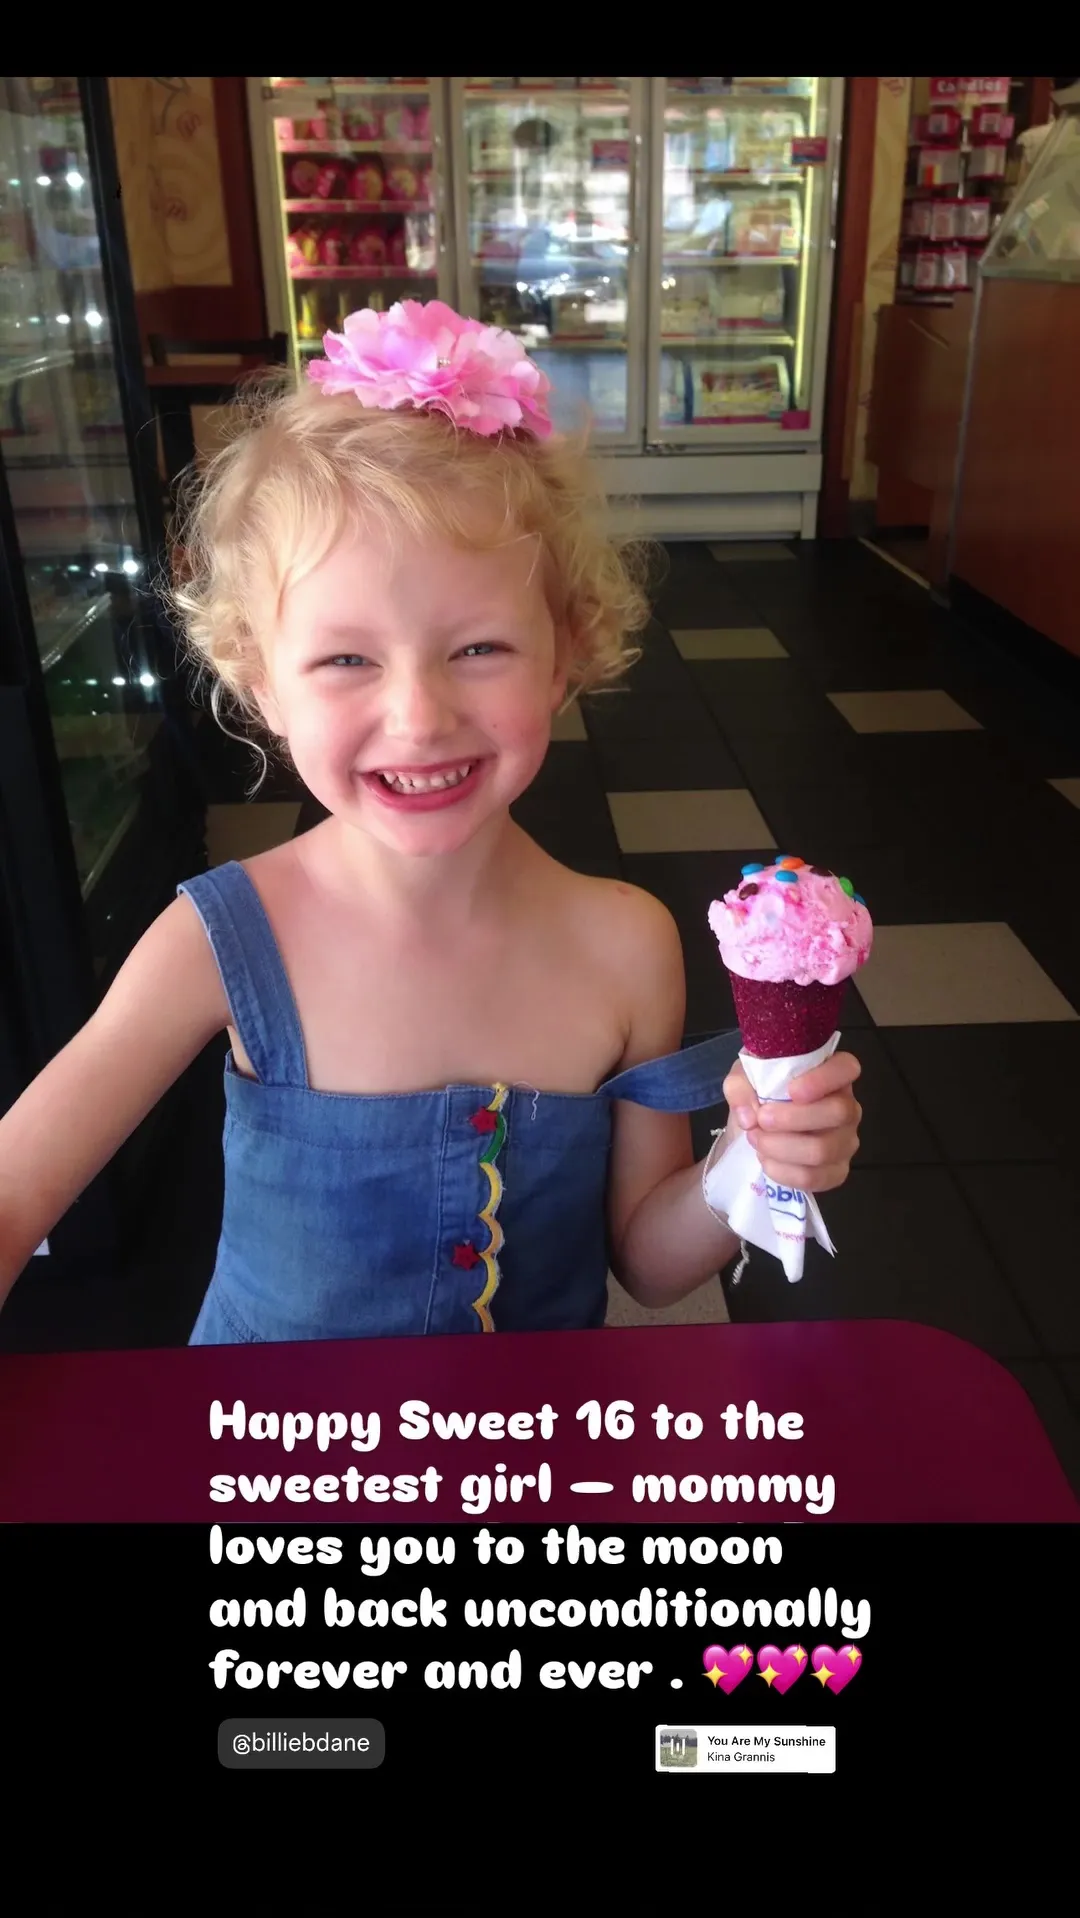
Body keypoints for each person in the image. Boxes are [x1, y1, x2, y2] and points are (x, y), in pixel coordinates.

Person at [0, 300, 862, 1344]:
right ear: (260, 682)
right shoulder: (220, 942)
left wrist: (750, 1160)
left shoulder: (625, 944)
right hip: (283, 1469)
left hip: (516, 1464)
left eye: (479, 649)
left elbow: (648, 1253)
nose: (418, 718)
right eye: (346, 659)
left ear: (568, 652)